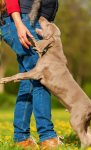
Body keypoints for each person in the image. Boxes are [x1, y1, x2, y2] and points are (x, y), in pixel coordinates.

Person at [0, 0, 60, 149]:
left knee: (28, 83)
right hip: (22, 21)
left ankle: (22, 139)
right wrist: (19, 24)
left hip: (29, 21)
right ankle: (47, 137)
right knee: (42, 77)